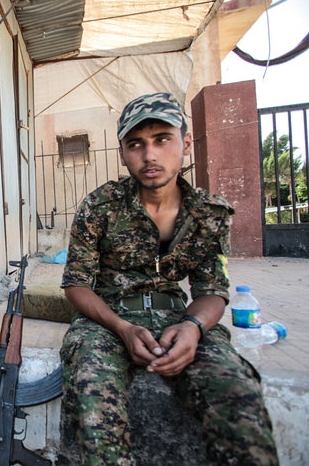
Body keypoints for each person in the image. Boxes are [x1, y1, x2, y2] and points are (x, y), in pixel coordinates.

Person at [59, 92, 279, 465]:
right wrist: (122, 328)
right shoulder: (100, 206)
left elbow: (212, 291)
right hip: (108, 321)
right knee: (91, 400)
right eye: (136, 144)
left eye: (162, 139)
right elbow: (76, 283)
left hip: (179, 319)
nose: (149, 156)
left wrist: (194, 327)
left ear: (186, 143)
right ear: (122, 153)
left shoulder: (209, 214)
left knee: (237, 395)